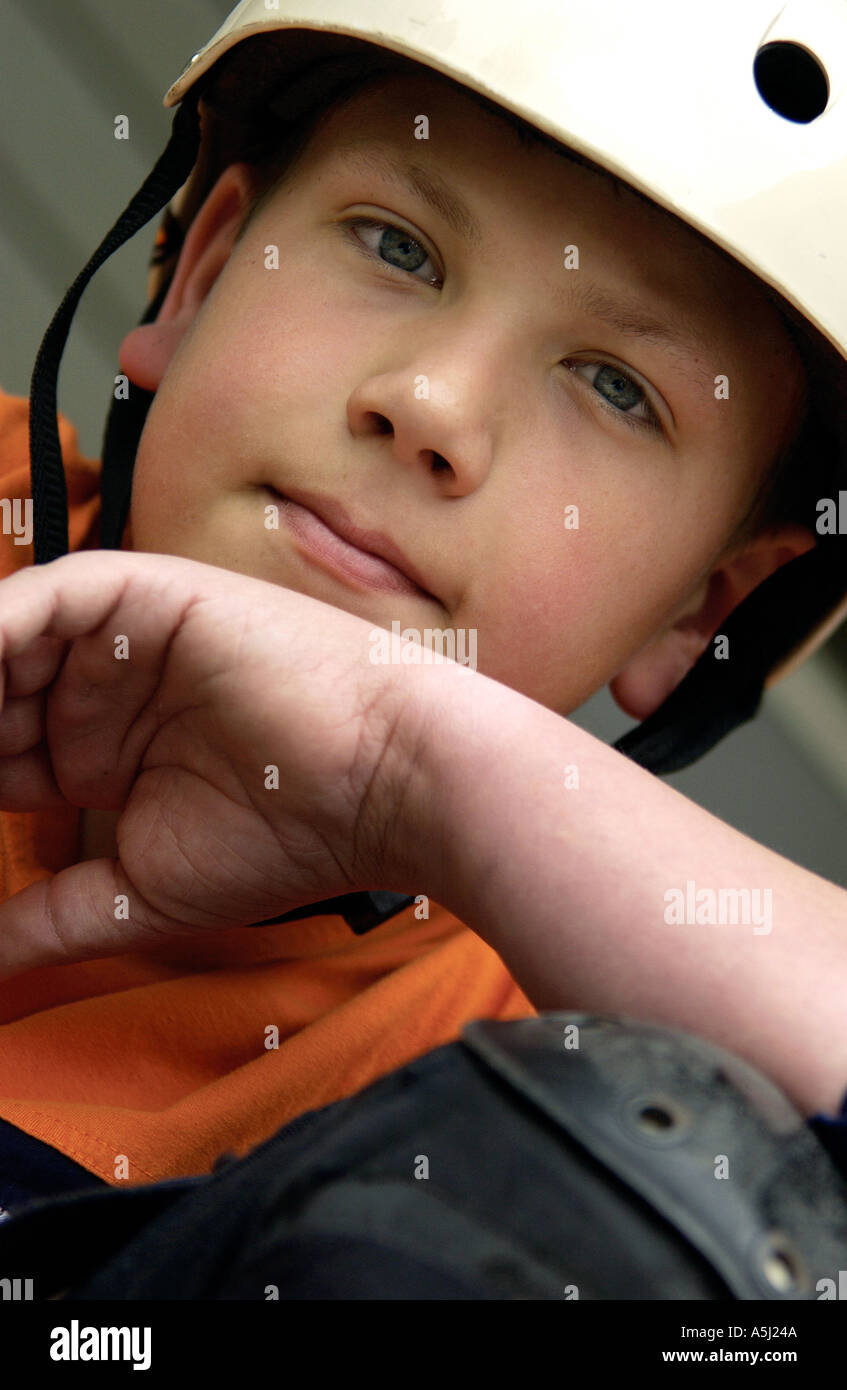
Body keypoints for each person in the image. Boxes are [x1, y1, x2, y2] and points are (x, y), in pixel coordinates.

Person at [0, 0, 846, 1248]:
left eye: (615, 387)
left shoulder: (543, 1069)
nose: (432, 405)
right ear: (208, 272)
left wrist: (407, 757)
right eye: (397, 248)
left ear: (701, 609)